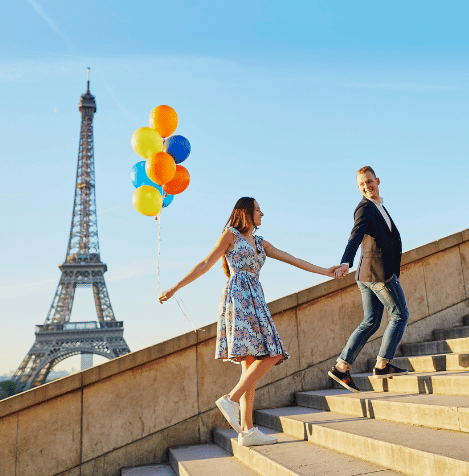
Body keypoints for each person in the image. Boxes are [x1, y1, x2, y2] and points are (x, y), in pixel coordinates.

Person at [159, 197, 342, 446]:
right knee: (273, 353)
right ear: (245, 212)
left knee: (250, 368)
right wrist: (174, 288)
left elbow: (292, 259)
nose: (262, 214)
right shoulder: (230, 235)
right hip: (239, 297)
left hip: (256, 297)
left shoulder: (259, 242)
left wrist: (325, 271)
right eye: (257, 210)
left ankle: (247, 431)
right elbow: (204, 264)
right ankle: (231, 399)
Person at [328, 166, 410, 393]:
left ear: (378, 180)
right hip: (377, 273)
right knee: (400, 314)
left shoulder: (378, 206)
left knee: (371, 321)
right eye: (362, 184)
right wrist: (345, 261)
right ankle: (383, 364)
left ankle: (341, 367)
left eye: (369, 182)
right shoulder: (364, 207)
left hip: (367, 275)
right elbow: (355, 235)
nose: (366, 186)